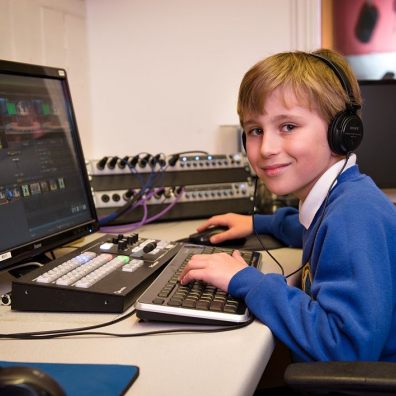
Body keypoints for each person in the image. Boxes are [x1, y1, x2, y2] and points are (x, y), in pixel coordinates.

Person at [179, 48, 396, 362]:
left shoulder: (354, 215)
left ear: (341, 133)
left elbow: (345, 349)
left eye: (288, 127)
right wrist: (257, 223)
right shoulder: (342, 200)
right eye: (255, 131)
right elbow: (310, 228)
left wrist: (246, 281)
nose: (266, 148)